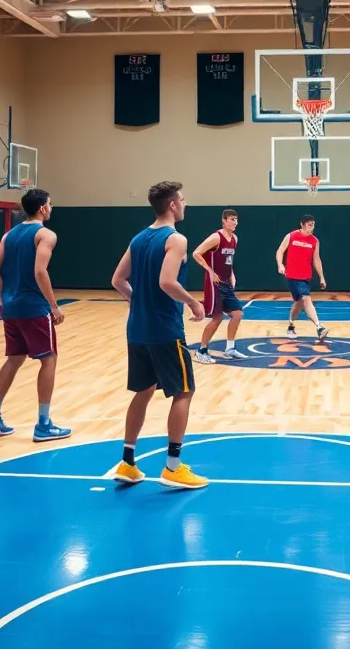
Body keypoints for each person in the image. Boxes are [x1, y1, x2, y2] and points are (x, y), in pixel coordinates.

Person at [111, 181, 208, 489]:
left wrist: (138, 301)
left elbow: (117, 280)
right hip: (165, 330)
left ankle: (127, 463)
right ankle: (173, 467)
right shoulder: (175, 239)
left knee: (143, 391)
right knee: (183, 392)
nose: (185, 204)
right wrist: (193, 302)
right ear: (172, 205)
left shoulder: (138, 238)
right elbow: (167, 282)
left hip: (137, 328)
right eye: (182, 199)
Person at [0, 188, 70, 442]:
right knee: (49, 359)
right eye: (50, 204)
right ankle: (44, 423)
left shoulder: (9, 235)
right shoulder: (45, 234)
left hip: (10, 307)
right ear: (42, 207)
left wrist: (1, 298)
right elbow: (40, 271)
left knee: (14, 359)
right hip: (33, 307)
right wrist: (54, 305)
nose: (51, 208)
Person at [192, 209, 249, 363]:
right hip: (214, 283)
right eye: (231, 219)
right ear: (224, 221)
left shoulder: (235, 238)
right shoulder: (216, 237)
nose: (235, 222)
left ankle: (230, 348)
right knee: (217, 318)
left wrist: (232, 274)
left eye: (236, 219)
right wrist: (210, 271)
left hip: (226, 282)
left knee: (237, 314)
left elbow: (229, 259)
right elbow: (196, 253)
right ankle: (201, 350)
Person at [275, 215, 328, 341]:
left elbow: (316, 259)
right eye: (310, 225)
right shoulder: (291, 236)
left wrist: (322, 277)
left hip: (305, 277)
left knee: (301, 301)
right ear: (302, 225)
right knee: (304, 299)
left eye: (313, 225)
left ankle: (294, 325)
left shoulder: (314, 241)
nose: (312, 227)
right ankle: (318, 326)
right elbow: (280, 251)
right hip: (291, 276)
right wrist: (280, 264)